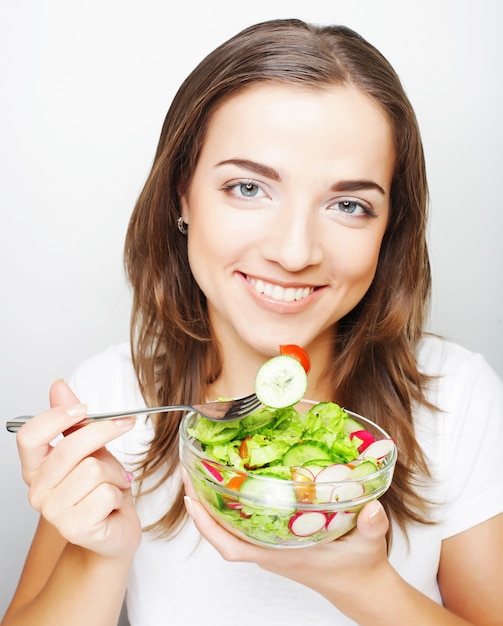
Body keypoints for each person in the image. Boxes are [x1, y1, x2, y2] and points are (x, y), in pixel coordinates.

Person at [2, 18, 502, 626]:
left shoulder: (459, 398)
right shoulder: (112, 401)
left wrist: (365, 585)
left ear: (389, 228)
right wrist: (100, 552)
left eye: (349, 205)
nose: (295, 252)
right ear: (181, 194)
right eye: (247, 188)